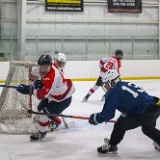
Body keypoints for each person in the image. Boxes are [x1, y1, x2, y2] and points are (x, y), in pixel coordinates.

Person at [89, 69, 160, 154]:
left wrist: (95, 118)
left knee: (120, 125)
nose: (105, 86)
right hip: (155, 107)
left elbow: (108, 115)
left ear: (112, 82)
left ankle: (111, 146)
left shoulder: (114, 91)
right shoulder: (124, 84)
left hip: (143, 112)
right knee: (148, 130)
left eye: (106, 83)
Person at [16, 54, 75, 140]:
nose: (41, 69)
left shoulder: (52, 77)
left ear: (49, 67)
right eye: (40, 66)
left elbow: (42, 95)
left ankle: (42, 133)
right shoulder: (49, 67)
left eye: (44, 67)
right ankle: (52, 122)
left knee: (44, 114)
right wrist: (38, 81)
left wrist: (30, 90)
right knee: (40, 108)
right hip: (53, 94)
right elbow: (35, 73)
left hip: (62, 100)